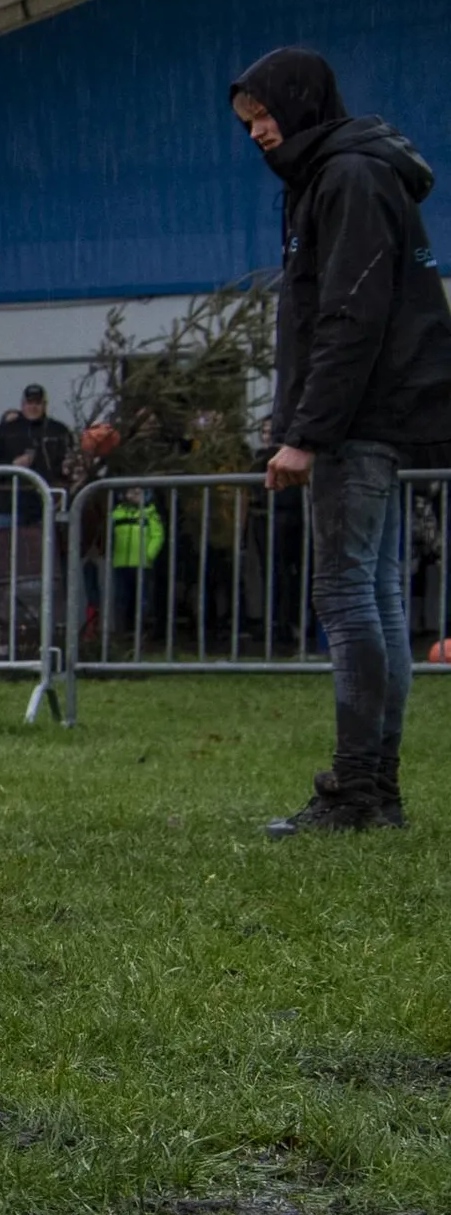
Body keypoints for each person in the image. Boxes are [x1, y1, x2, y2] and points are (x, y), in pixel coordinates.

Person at [236, 46, 451, 832]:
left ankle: (359, 792)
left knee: (347, 594)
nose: (257, 131)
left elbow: (350, 316)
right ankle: (375, 792)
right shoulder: (346, 172)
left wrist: (307, 433)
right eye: (248, 121)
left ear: (301, 104)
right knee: (377, 595)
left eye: (264, 114)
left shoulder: (348, 177)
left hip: (359, 422)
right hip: (374, 416)